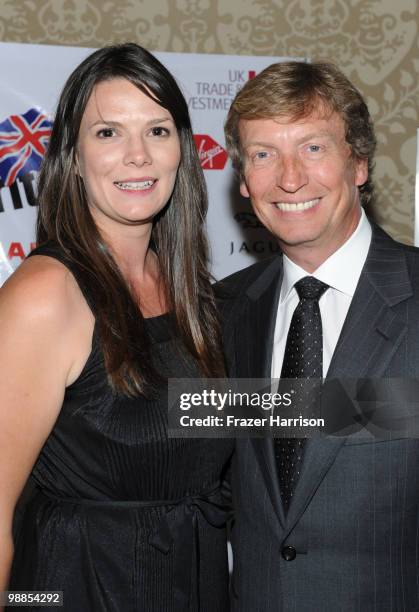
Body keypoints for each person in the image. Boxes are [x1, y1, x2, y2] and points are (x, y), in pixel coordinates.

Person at [0, 43, 233, 612]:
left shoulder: (191, 290)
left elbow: (219, 418)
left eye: (157, 131)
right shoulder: (46, 295)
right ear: (73, 157)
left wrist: (384, 406)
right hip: (67, 589)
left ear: (182, 148)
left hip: (188, 583)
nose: (138, 156)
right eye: (108, 133)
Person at [218, 61, 419, 611]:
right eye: (263, 154)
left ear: (358, 163)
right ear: (243, 179)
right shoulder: (221, 313)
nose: (288, 178)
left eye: (312, 148)